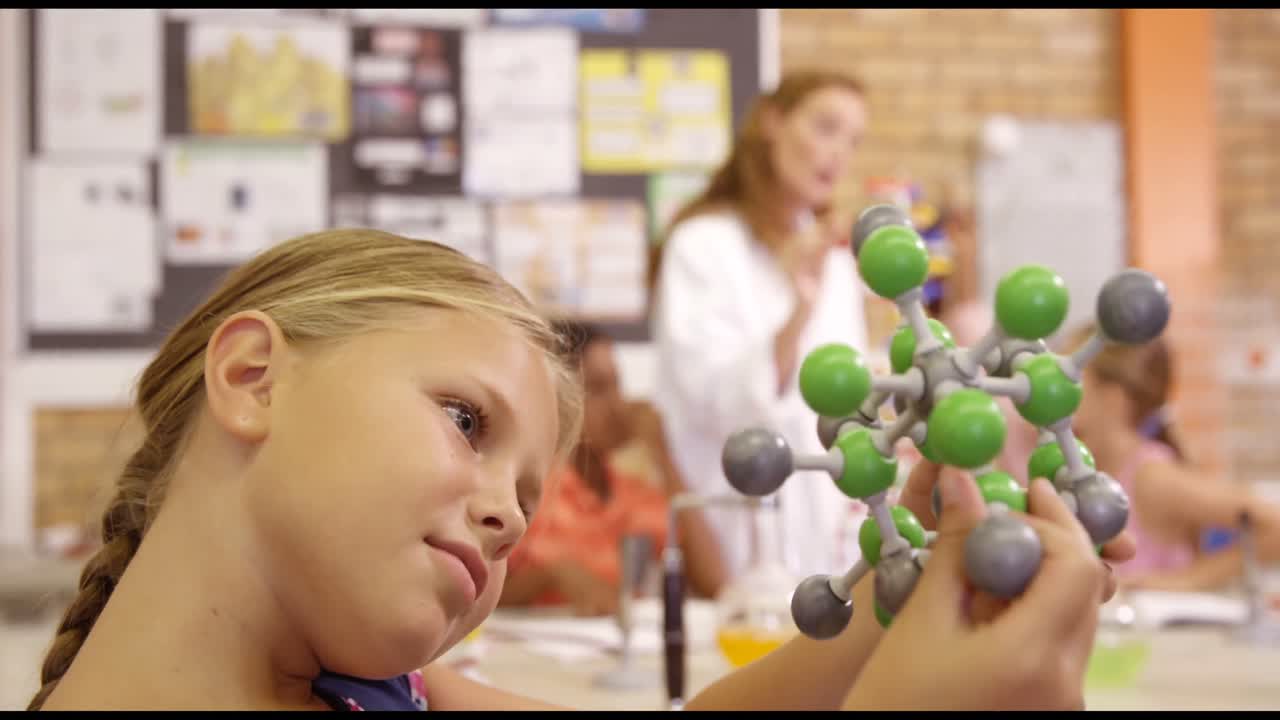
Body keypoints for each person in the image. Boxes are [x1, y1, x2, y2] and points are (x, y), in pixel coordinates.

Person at [28, 228, 1133, 712]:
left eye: (525, 492)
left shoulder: (378, 694)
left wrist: (916, 597)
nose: (508, 520)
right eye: (468, 420)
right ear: (255, 377)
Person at [649, 69, 875, 586]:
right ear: (773, 123)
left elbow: (848, 405)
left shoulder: (835, 262)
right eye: (825, 127)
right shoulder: (703, 246)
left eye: (853, 140)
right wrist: (797, 312)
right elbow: (719, 403)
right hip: (735, 533)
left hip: (830, 543)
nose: (837, 153)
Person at [499, 321, 726, 614]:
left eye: (617, 385)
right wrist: (550, 575)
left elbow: (714, 583)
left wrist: (663, 454)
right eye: (598, 389)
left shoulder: (629, 488)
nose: (619, 406)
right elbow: (469, 598)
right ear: (553, 399)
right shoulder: (527, 485)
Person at [1067, 324, 1280, 592]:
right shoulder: (1086, 469)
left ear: (1112, 398)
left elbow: (1274, 523)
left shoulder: (1150, 476)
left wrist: (1190, 579)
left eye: (1071, 379)